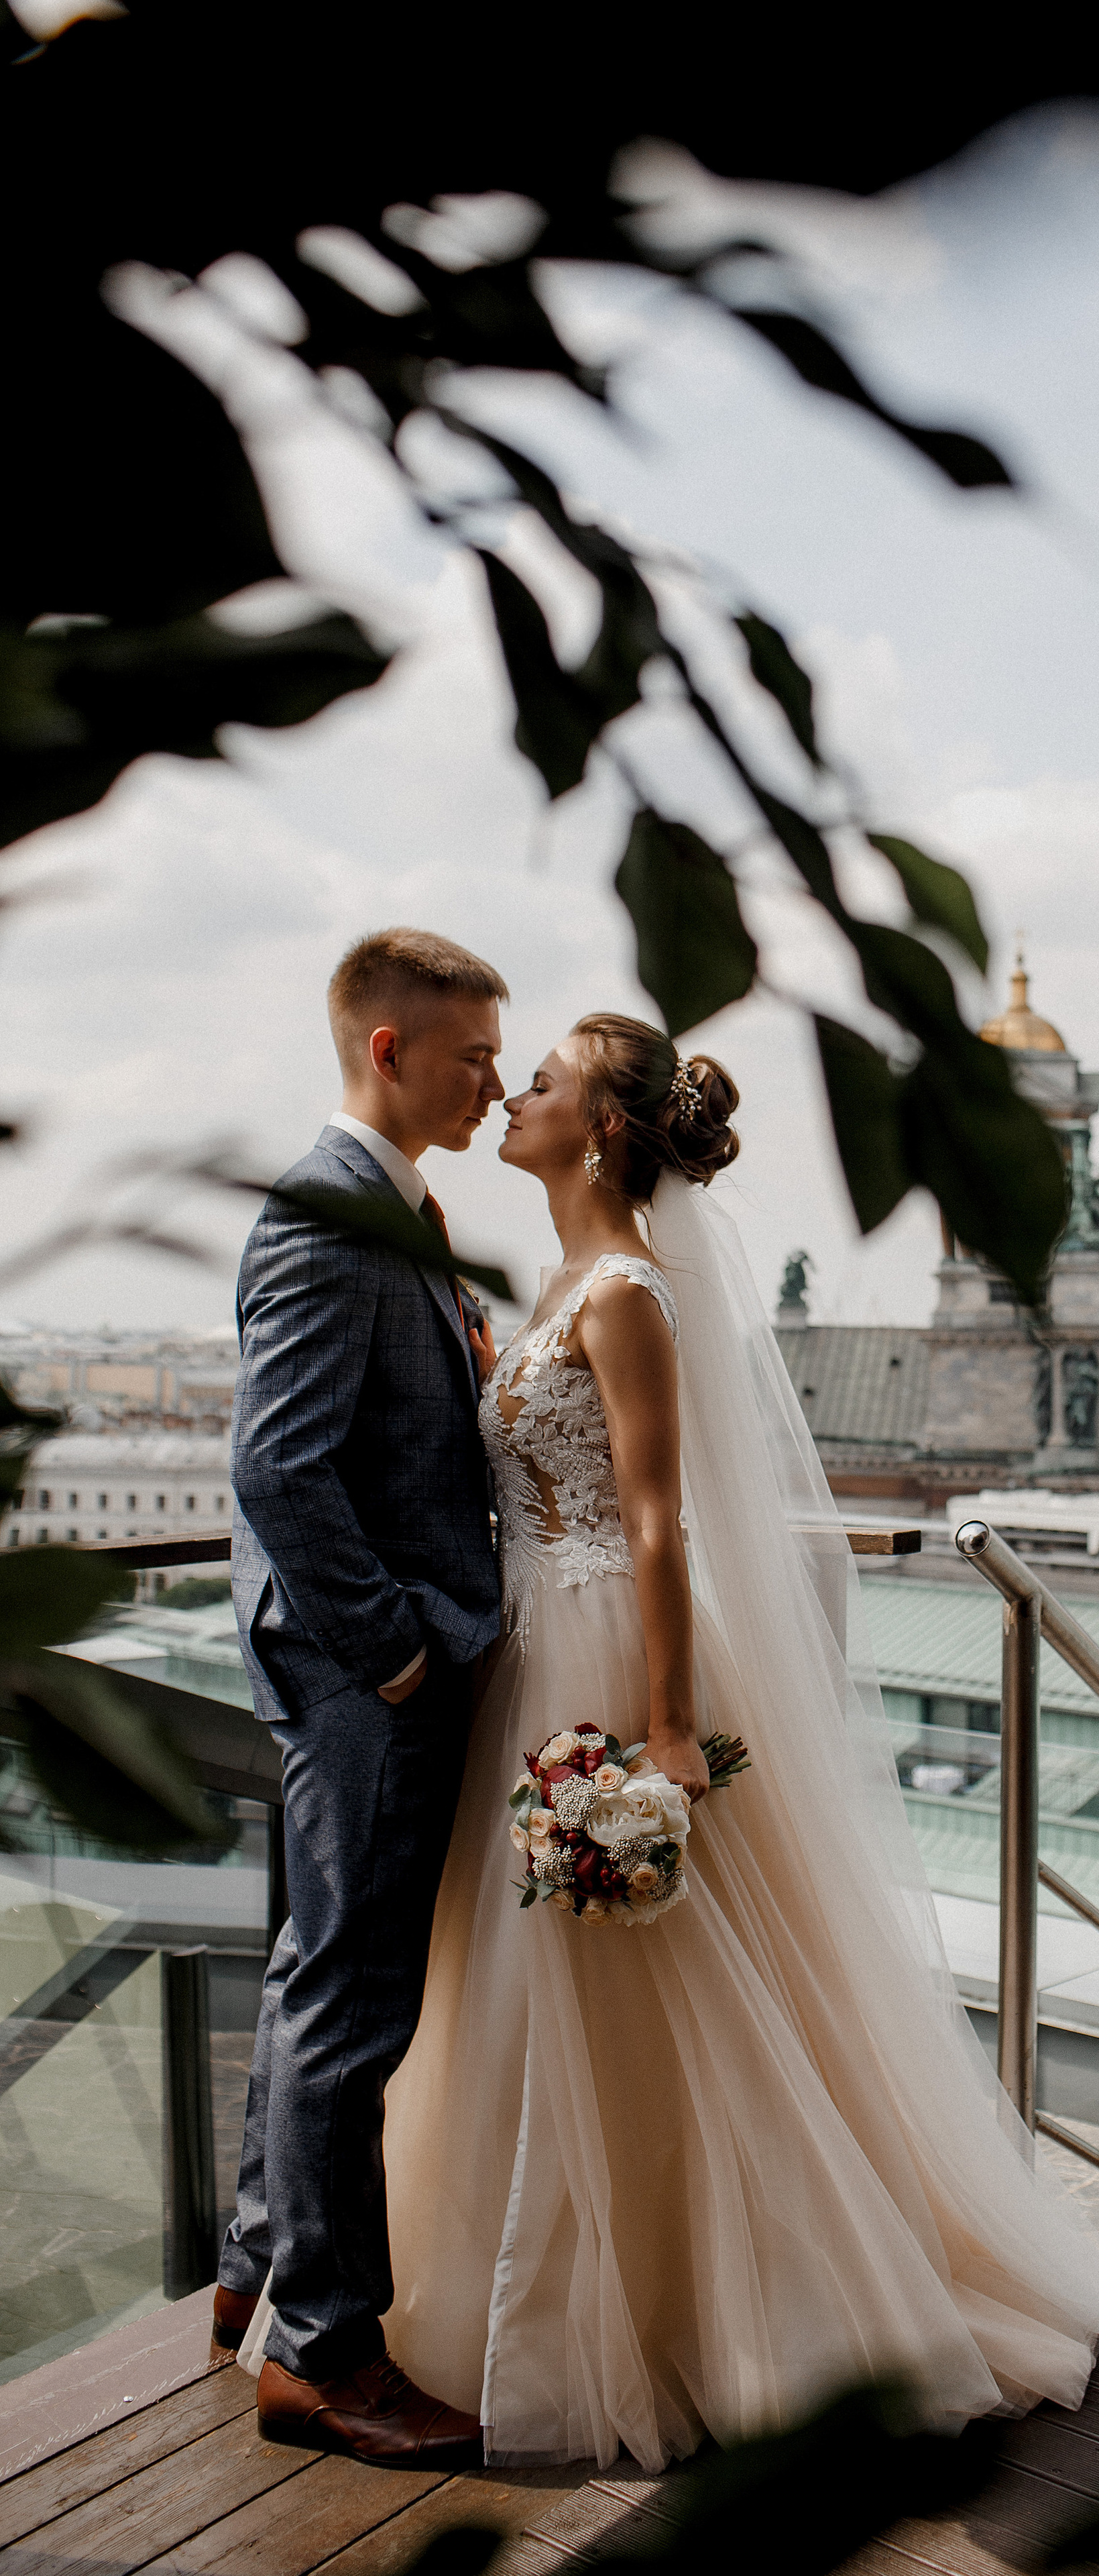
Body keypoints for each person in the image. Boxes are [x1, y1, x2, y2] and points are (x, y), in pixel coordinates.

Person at [238, 1010, 1099, 2465]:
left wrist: (665, 1728)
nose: (512, 1093)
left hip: (592, 1654)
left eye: (541, 1081)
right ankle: (491, 2289)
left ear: (600, 1129)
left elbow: (658, 1523)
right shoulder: (563, 1282)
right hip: (526, 1648)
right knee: (531, 1981)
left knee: (617, 1981)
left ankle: (657, 2299)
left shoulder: (623, 1297)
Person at [217, 928, 508, 2467]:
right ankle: (325, 2359)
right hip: (363, 1676)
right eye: (473, 1058)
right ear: (389, 1051)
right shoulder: (331, 1216)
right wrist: (393, 1652)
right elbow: (281, 1465)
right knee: (352, 2004)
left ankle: (255, 2267)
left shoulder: (390, 1208)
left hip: (359, 1666)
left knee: (310, 1971)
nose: (494, 1086)